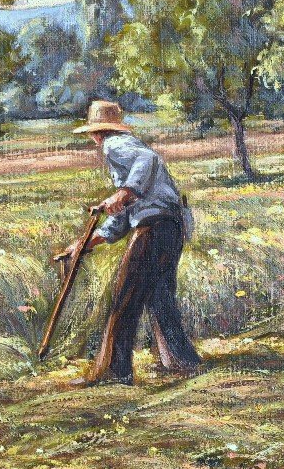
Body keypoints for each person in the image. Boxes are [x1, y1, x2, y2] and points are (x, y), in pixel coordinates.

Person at [60, 100, 202, 386]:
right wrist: (85, 243)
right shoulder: (125, 149)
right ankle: (181, 361)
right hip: (170, 227)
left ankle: (114, 371)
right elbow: (122, 218)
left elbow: (147, 162)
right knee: (159, 297)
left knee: (125, 297)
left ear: (96, 132)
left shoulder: (114, 145)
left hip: (154, 228)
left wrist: (123, 193)